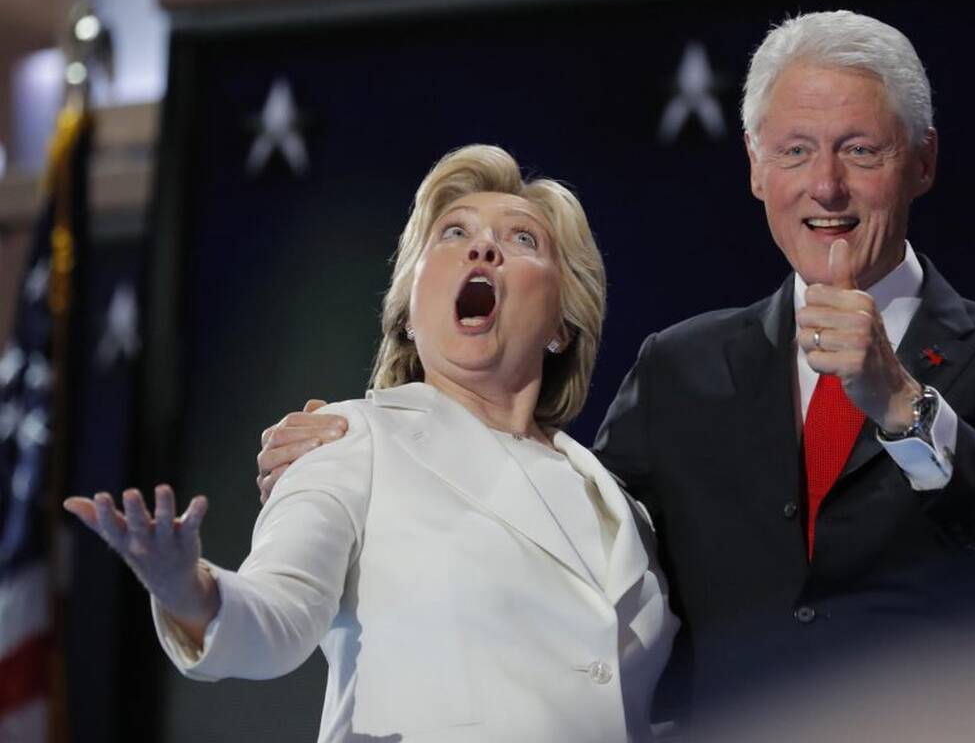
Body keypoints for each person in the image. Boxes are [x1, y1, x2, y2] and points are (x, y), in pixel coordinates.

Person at [258, 11, 975, 717]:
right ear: (756, 167)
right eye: (796, 151)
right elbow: (566, 554)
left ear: (922, 160)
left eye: (860, 151)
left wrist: (905, 409)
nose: (826, 187)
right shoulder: (680, 367)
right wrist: (371, 462)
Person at [65, 144, 679, 742]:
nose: (484, 247)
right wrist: (189, 591)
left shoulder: (622, 508)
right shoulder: (348, 439)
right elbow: (280, 612)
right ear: (408, 312)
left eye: (523, 239)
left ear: (562, 326)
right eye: (453, 232)